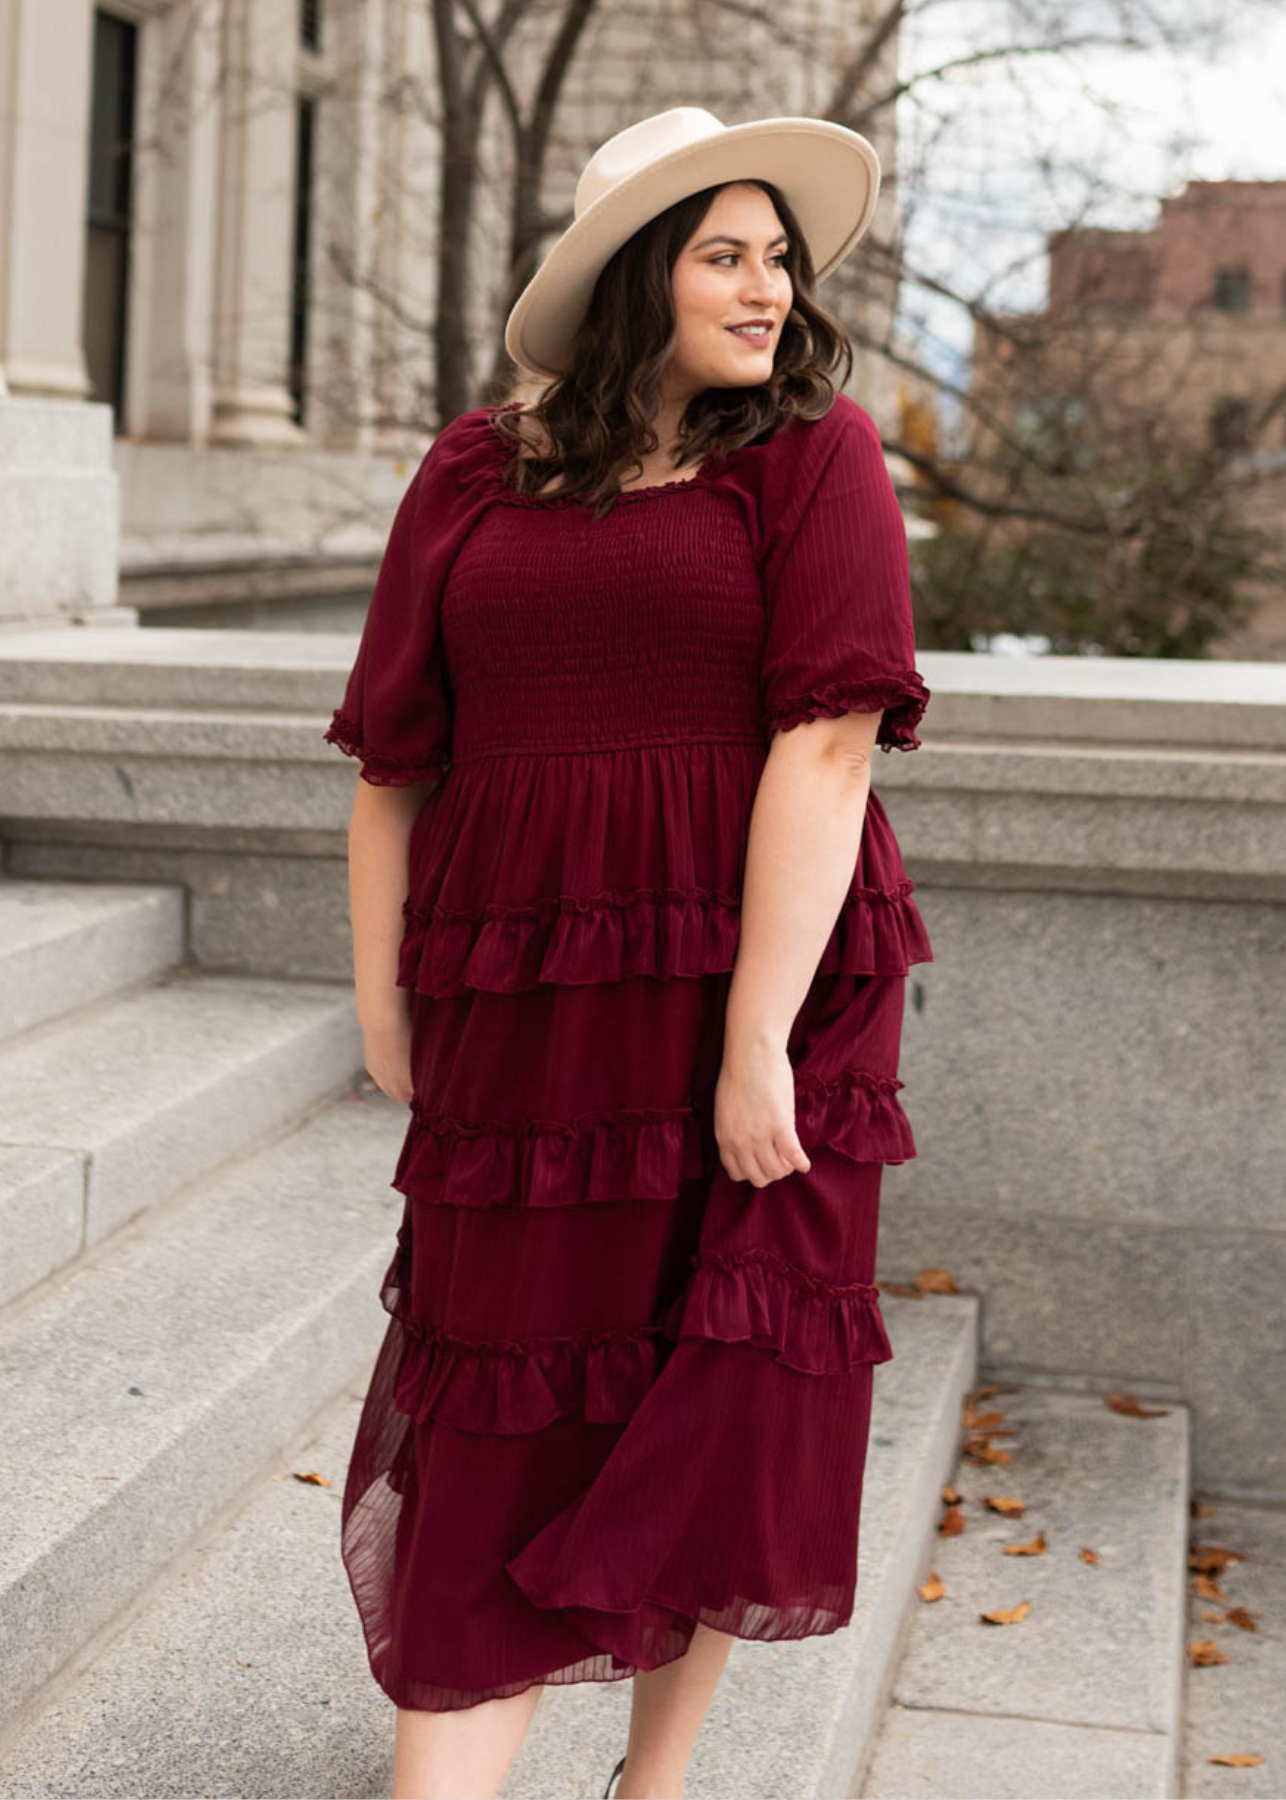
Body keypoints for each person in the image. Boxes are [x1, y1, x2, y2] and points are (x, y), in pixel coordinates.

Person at [324, 104, 933, 1800]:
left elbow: (826, 742)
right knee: (499, 1374)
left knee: (727, 1370)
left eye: (778, 259)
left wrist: (754, 1044)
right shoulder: (469, 469)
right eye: (723, 255)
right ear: (630, 280)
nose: (766, 289)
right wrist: (383, 1002)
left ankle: (652, 1783)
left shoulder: (814, 454)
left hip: (774, 980)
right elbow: (394, 764)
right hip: (522, 993)